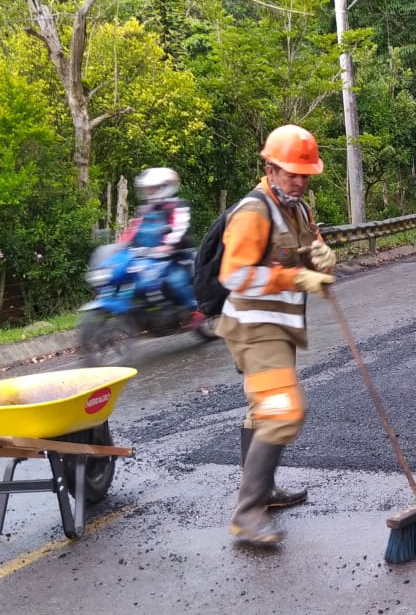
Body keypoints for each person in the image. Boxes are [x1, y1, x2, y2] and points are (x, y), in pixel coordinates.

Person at [217, 124, 336, 545]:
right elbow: (233, 276)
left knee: (265, 410)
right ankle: (247, 516)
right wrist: (294, 278)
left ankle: (263, 492)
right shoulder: (254, 211)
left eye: (306, 174)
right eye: (291, 173)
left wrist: (323, 257)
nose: (300, 181)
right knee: (284, 412)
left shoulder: (298, 209)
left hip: (280, 327)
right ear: (270, 168)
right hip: (253, 329)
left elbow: (312, 253)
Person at [119, 167, 204, 328]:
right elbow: (133, 230)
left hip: (178, 256)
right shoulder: (144, 210)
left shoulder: (178, 206)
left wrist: (168, 245)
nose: (149, 192)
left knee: (175, 280)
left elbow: (180, 227)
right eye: (147, 189)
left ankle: (195, 311)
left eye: (152, 188)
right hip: (150, 258)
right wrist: (120, 246)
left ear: (164, 187)